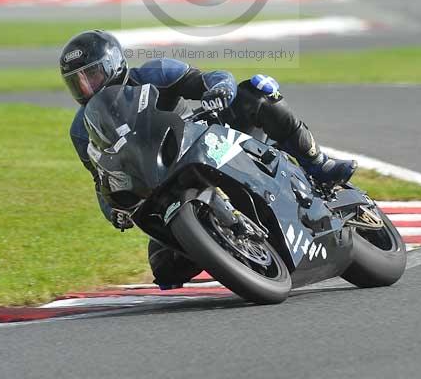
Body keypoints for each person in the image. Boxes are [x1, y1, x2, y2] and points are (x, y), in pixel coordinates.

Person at [62, 29, 356, 289]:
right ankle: (231, 249)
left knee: (257, 91)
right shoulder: (81, 130)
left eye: (92, 76)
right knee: (164, 268)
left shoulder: (154, 73)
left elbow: (209, 78)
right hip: (160, 182)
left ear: (113, 65)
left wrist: (219, 91)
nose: (87, 88)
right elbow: (101, 178)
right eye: (78, 83)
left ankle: (319, 164)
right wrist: (113, 210)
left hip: (207, 137)